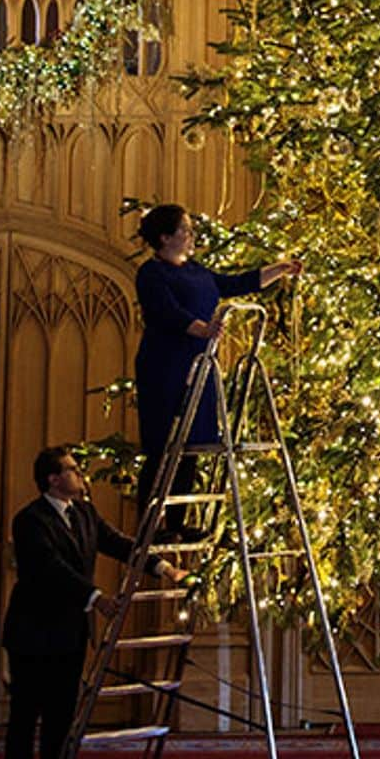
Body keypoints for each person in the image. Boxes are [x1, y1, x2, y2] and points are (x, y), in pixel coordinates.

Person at [2, 446, 187, 759]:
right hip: (33, 635)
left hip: (70, 634)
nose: (79, 475)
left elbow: (119, 544)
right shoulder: (30, 521)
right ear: (53, 479)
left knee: (61, 721)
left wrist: (163, 567)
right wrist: (96, 597)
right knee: (24, 722)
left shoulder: (85, 513)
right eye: (71, 469)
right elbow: (49, 569)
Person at [132, 204, 301, 541]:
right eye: (185, 230)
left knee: (193, 443)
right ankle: (150, 525)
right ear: (165, 238)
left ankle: (177, 524)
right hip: (167, 363)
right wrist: (202, 329)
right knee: (164, 445)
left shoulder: (196, 270)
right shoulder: (152, 274)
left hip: (201, 362)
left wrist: (279, 270)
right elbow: (167, 311)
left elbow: (234, 284)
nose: (191, 236)